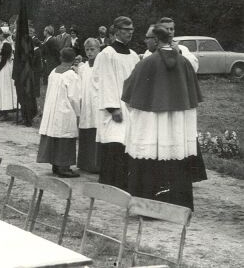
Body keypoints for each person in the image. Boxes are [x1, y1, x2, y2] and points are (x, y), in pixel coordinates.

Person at [123, 25, 202, 210]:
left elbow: (128, 92)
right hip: (177, 125)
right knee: (176, 158)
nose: (146, 41)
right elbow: (193, 97)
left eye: (149, 38)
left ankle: (148, 207)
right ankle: (178, 206)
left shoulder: (147, 63)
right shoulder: (185, 62)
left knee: (150, 158)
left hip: (152, 122)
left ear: (157, 40)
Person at [92, 16, 139, 189]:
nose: (130, 33)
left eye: (132, 30)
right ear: (117, 31)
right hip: (114, 108)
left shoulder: (133, 55)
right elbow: (103, 80)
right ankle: (110, 183)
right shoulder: (107, 54)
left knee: (128, 143)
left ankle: (125, 183)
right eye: (126, 30)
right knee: (115, 142)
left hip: (130, 106)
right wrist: (113, 108)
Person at [37, 48, 81, 178]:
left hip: (53, 109)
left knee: (54, 135)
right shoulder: (72, 75)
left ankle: (55, 165)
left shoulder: (53, 72)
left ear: (60, 58)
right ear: (74, 60)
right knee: (64, 136)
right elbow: (74, 97)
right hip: (65, 109)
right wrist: (78, 113)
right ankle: (64, 167)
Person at [77, 38, 102, 173]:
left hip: (97, 104)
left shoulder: (103, 66)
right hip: (86, 104)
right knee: (86, 130)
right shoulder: (83, 68)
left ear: (99, 49)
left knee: (96, 131)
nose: (90, 52)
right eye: (87, 50)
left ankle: (96, 164)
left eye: (93, 49)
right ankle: (84, 163)